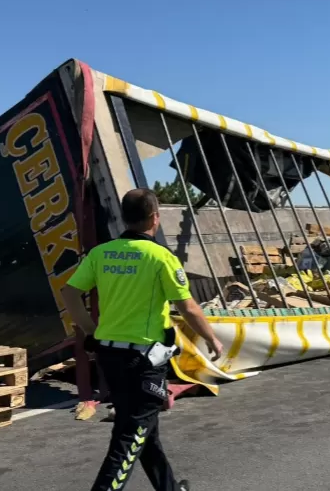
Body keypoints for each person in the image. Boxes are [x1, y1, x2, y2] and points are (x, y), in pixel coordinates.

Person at [62, 188, 224, 491]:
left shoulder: (101, 253)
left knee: (144, 430)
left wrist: (90, 330)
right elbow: (187, 306)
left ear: (125, 216)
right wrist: (212, 339)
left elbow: (69, 293)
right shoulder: (161, 257)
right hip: (144, 362)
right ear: (154, 217)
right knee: (129, 438)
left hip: (110, 357)